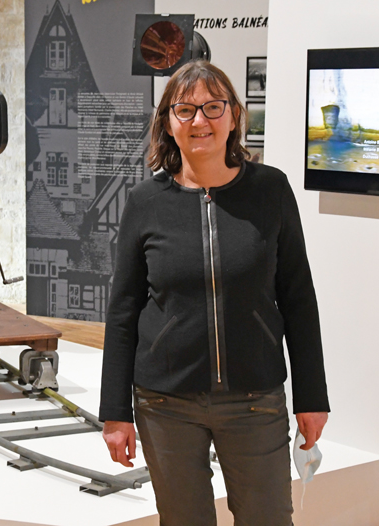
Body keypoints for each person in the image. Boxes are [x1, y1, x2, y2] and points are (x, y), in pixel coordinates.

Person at [100, 60, 329, 526]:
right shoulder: (146, 203)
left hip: (254, 398)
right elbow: (123, 311)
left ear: (233, 115)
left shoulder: (271, 190)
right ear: (168, 121)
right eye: (185, 110)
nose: (200, 121)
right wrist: (114, 411)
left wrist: (312, 395)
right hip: (165, 405)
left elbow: (299, 299)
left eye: (212, 107)